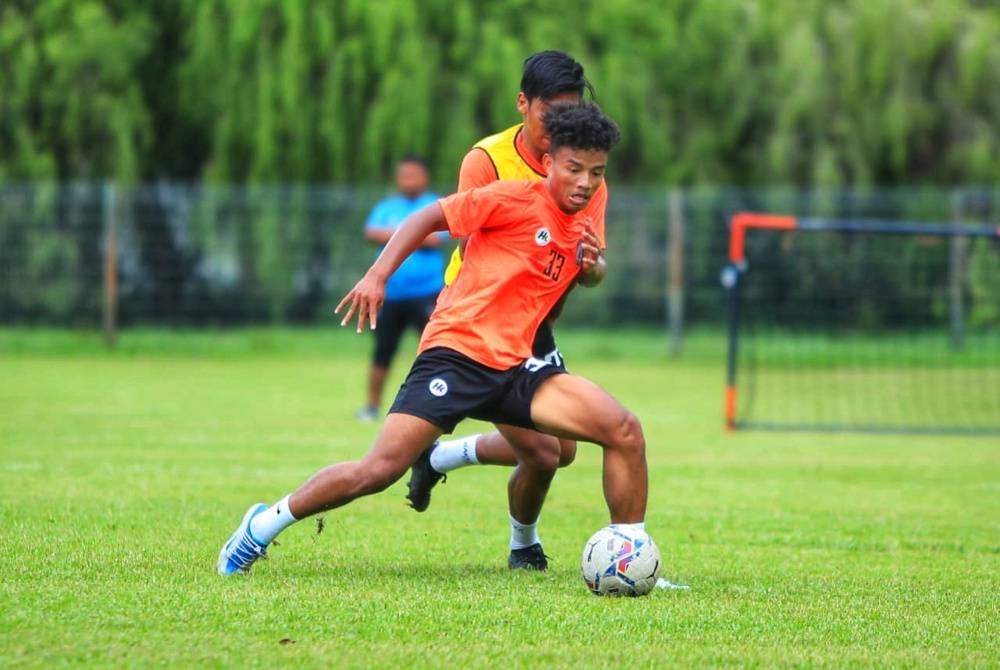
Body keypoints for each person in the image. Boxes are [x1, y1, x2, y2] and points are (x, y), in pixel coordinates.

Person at [217, 103, 648, 578]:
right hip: (457, 355)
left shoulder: (583, 220)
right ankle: (261, 526)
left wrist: (593, 267)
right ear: (548, 164)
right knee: (378, 471)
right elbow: (427, 217)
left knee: (622, 431)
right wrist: (376, 276)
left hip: (517, 366)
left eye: (596, 172)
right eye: (574, 169)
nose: (585, 182)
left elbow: (590, 272)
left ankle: (629, 557)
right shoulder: (510, 199)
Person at [404, 52, 609, 566]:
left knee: (563, 451)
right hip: (479, 318)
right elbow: (477, 246)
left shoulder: (583, 169)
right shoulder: (488, 160)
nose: (561, 125)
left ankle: (444, 455)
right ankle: (524, 547)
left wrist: (587, 266)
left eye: (571, 112)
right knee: (542, 451)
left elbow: (590, 265)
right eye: (551, 114)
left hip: (536, 321)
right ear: (523, 104)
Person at [357, 155, 444, 421]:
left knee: (438, 350)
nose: (408, 180)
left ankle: (443, 403)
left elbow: (435, 240)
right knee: (383, 351)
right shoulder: (387, 206)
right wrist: (412, 234)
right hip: (390, 294)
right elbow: (371, 233)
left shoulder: (434, 205)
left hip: (427, 292)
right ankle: (371, 407)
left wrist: (396, 234)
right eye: (404, 175)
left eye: (414, 175)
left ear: (424, 177)